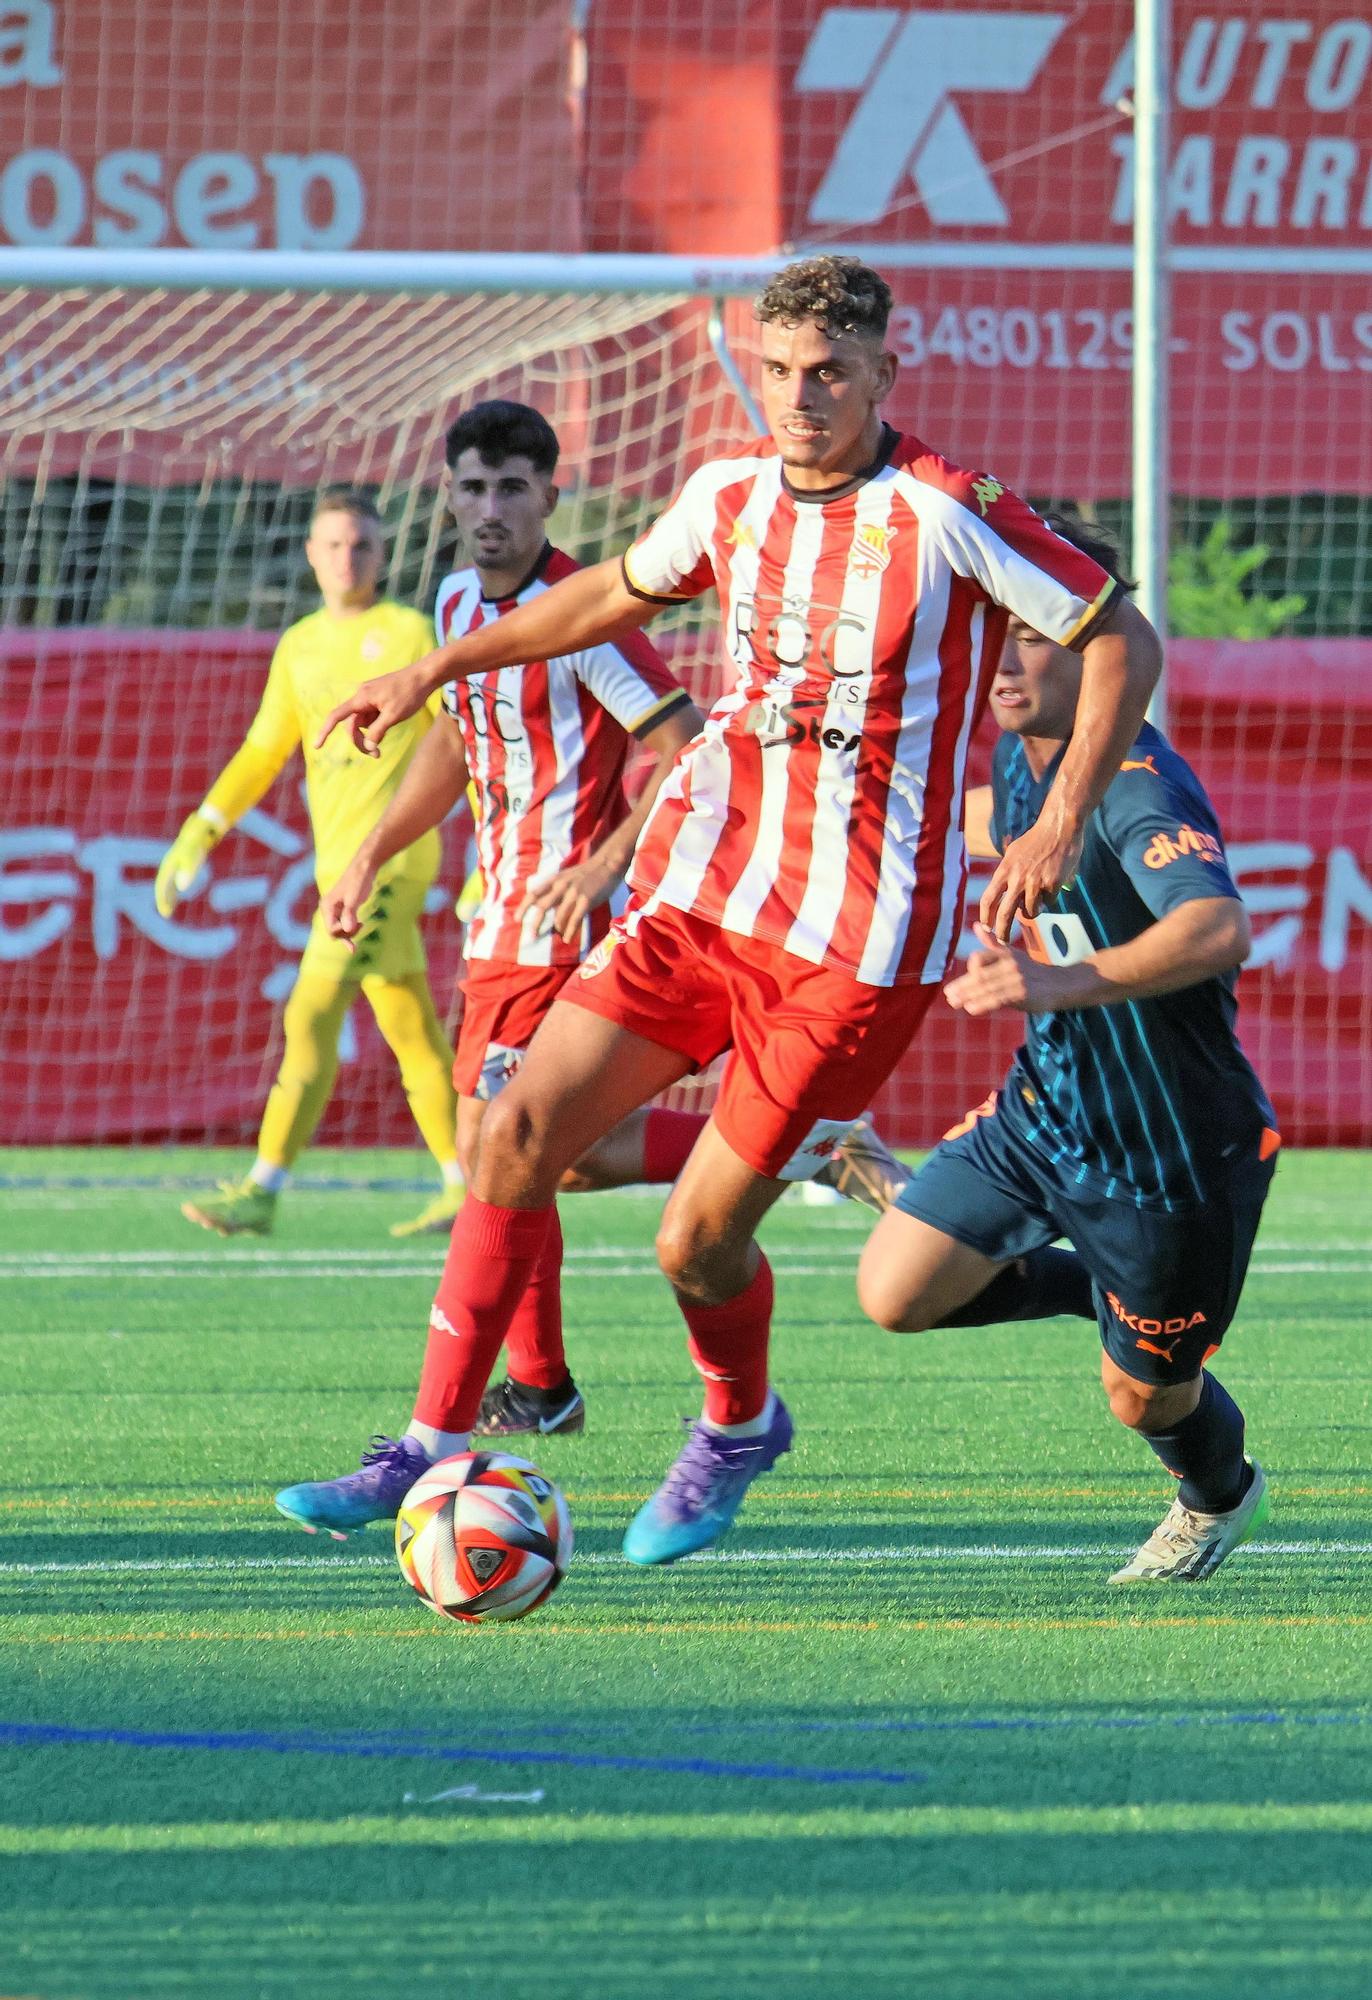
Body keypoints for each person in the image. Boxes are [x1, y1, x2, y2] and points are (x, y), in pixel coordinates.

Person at [275, 254, 1162, 1563]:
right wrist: (440, 669)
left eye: (831, 376)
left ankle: (738, 1425)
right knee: (515, 1132)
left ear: (881, 376)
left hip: (854, 945)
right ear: (756, 367)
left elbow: (1119, 634)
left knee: (695, 1244)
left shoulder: (946, 512)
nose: (801, 401)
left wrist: (1060, 812)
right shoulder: (727, 496)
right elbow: (603, 598)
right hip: (705, 897)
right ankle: (430, 1442)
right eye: (782, 372)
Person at [857, 513, 1277, 1583]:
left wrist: (1055, 980)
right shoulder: (1022, 751)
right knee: (896, 1291)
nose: (1003, 656)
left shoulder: (1137, 780)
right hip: (1044, 1116)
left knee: (1142, 1397)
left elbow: (1217, 926)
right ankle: (1092, 1280)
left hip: (1169, 1153)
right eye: (995, 625)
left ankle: (1216, 1493)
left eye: (1033, 632)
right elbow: (979, 820)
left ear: (1094, 643)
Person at [156, 488, 464, 1240]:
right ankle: (468, 1181)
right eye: (332, 545)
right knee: (410, 1027)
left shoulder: (410, 632)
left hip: (390, 862)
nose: (346, 558)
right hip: (337, 867)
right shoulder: (299, 644)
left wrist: (486, 853)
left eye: (360, 544)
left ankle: (264, 1186)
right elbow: (266, 749)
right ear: (310, 554)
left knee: (311, 1012)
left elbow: (461, 743)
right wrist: (200, 831)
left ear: (381, 552)